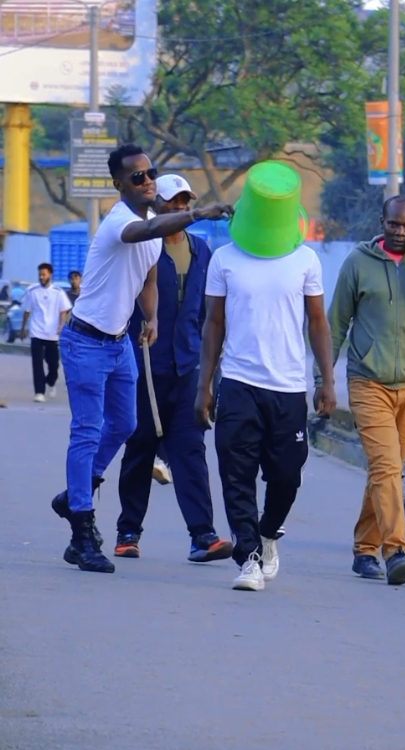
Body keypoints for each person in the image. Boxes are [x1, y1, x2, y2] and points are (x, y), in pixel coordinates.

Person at [51, 143, 233, 574]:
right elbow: (140, 238)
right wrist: (197, 214)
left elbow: (149, 276)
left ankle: (77, 489)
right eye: (137, 177)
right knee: (88, 431)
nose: (147, 180)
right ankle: (81, 530)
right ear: (119, 185)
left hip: (119, 343)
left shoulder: (151, 224)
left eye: (151, 172)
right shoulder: (121, 222)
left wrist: (150, 318)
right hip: (85, 342)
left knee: (127, 425)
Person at [195, 160, 336, 592]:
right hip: (238, 383)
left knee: (287, 475)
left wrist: (326, 381)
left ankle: (269, 532)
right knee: (236, 473)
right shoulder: (224, 259)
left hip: (289, 387)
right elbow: (213, 324)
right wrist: (205, 385)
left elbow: (317, 322)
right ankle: (249, 557)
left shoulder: (305, 259)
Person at [315, 195, 405, 585]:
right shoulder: (358, 263)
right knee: (386, 466)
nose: (399, 232)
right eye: (393, 224)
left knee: (388, 470)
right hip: (367, 379)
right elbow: (336, 324)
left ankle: (365, 549)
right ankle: (396, 548)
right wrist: (323, 381)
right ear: (382, 222)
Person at [115, 174, 232, 564]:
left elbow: (210, 316)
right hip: (145, 365)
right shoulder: (141, 247)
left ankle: (203, 536)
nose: (182, 208)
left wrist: (210, 375)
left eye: (186, 202)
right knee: (140, 447)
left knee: (190, 451)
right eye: (174, 203)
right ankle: (128, 531)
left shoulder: (202, 252)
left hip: (188, 369)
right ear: (157, 208)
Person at [20, 263, 71, 402]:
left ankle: (51, 381)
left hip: (52, 333)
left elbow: (63, 311)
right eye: (40, 274)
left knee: (53, 364)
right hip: (36, 331)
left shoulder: (58, 292)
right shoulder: (32, 291)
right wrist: (23, 328)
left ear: (50, 274)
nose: (42, 277)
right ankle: (39, 392)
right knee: (37, 363)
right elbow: (27, 311)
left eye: (44, 274)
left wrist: (61, 325)